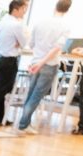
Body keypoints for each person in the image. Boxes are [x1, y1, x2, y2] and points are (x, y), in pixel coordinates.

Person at [17, 0, 72, 134]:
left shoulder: (40, 22)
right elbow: (56, 48)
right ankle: (23, 125)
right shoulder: (65, 26)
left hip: (35, 62)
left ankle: (25, 123)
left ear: (55, 6)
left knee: (31, 94)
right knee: (36, 96)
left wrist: (38, 59)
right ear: (67, 10)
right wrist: (42, 62)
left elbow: (31, 44)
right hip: (49, 65)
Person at [0, 0, 29, 127]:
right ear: (16, 9)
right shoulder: (16, 25)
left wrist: (18, 42)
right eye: (23, 9)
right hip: (8, 61)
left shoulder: (3, 21)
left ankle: (0, 118)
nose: (24, 12)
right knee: (1, 90)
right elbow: (24, 43)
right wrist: (18, 42)